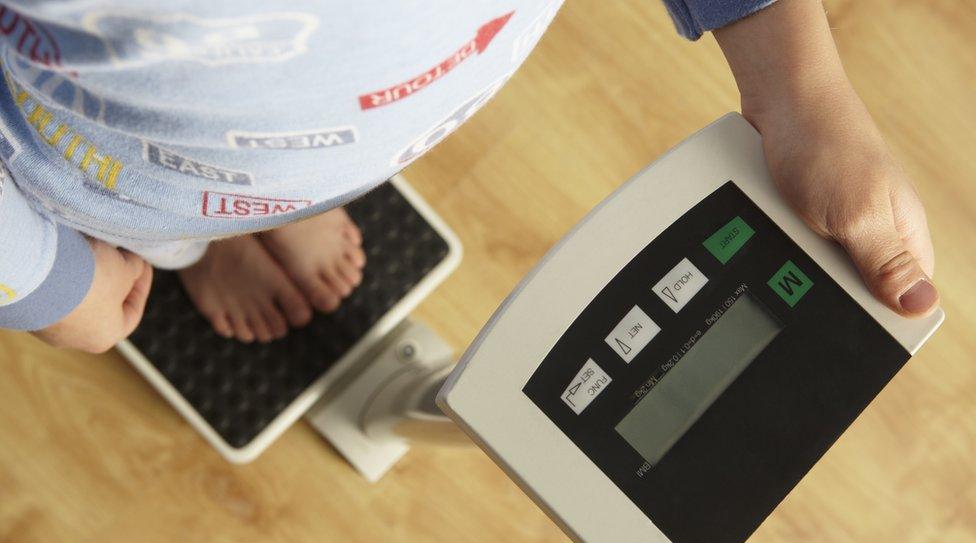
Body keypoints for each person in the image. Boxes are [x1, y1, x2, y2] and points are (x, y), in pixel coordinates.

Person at [0, 0, 940, 353]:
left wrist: (804, 91)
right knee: (174, 216)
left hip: (380, 113)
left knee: (318, 156)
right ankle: (195, 242)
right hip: (112, 151)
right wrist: (40, 278)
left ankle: (260, 210)